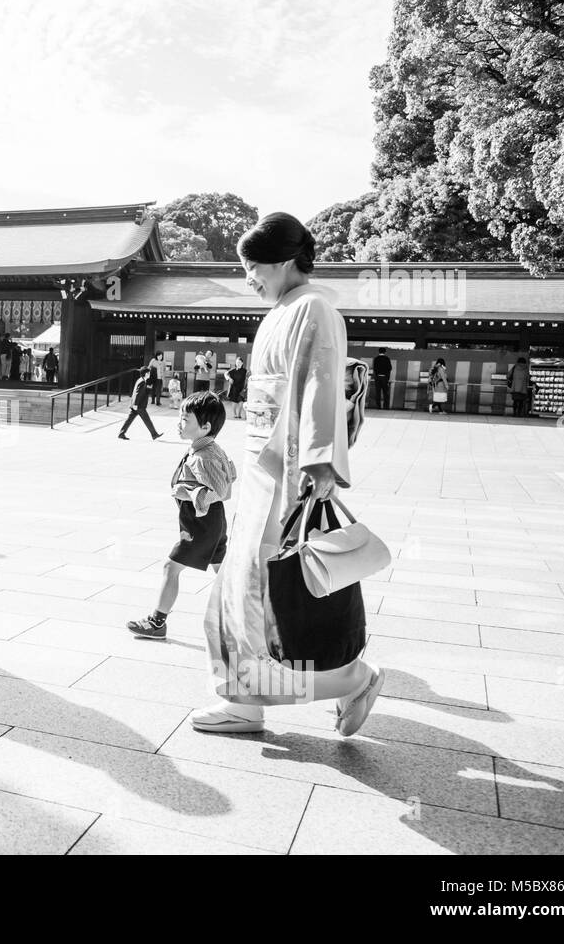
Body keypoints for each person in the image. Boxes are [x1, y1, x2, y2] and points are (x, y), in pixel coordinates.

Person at [195, 211, 383, 738]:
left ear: (282, 262)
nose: (248, 278)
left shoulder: (315, 308)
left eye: (252, 267)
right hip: (260, 470)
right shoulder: (280, 310)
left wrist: (321, 464)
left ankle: (351, 678)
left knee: (264, 595)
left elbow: (323, 384)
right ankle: (242, 701)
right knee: (236, 588)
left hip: (288, 474)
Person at [127, 392, 237, 638]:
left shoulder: (202, 456)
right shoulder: (210, 449)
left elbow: (220, 492)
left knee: (171, 567)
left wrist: (187, 493)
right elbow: (228, 486)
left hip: (201, 525)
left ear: (205, 427)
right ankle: (252, 615)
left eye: (185, 419)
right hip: (212, 522)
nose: (179, 423)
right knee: (224, 572)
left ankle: (157, 622)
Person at [117, 366, 162, 440]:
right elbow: (137, 394)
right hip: (139, 406)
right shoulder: (142, 382)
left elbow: (141, 392)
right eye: (148, 373)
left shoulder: (141, 380)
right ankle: (154, 434)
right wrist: (135, 404)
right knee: (147, 420)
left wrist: (148, 389)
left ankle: (121, 433)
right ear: (145, 374)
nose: (149, 374)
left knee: (129, 420)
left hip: (137, 405)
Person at [225, 355, 247, 420]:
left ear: (242, 363)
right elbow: (225, 373)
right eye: (237, 362)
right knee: (234, 401)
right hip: (234, 388)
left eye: (240, 362)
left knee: (241, 402)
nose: (238, 363)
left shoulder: (245, 371)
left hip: (242, 388)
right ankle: (234, 414)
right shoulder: (232, 370)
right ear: (235, 363)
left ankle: (239, 414)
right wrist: (228, 378)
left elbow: (248, 377)